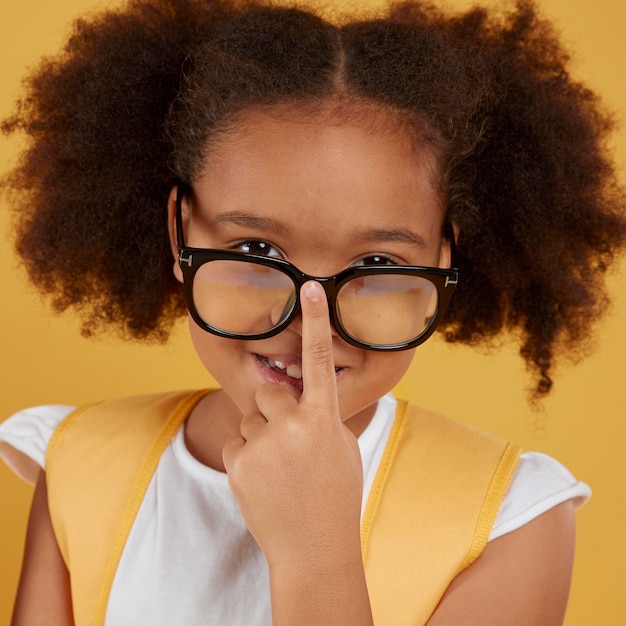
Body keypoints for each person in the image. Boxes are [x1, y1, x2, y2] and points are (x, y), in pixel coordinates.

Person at [0, 0, 624, 623]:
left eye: (377, 265)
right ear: (179, 234)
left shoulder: (510, 516)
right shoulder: (79, 464)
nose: (310, 320)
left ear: (443, 254)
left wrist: (315, 555)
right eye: (255, 250)